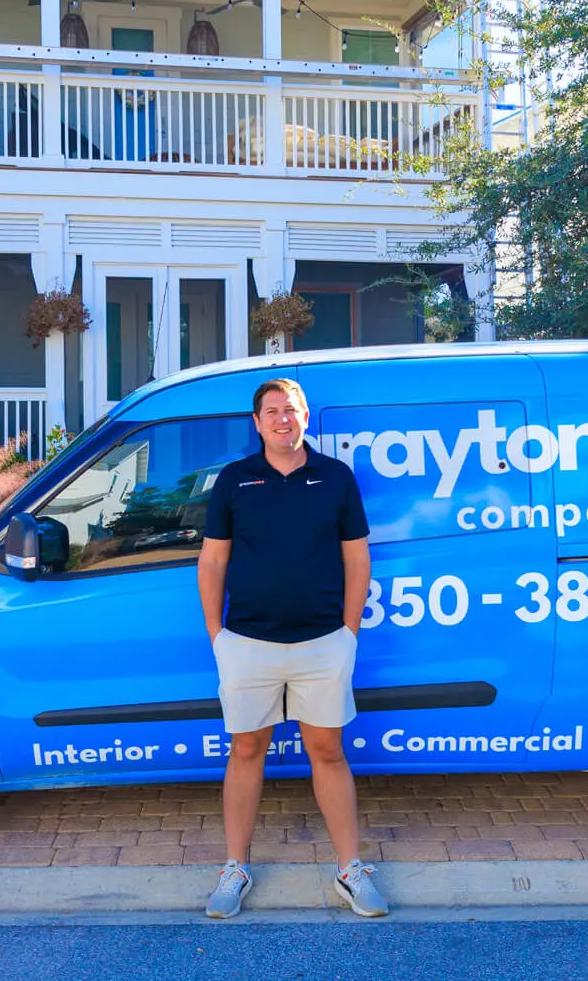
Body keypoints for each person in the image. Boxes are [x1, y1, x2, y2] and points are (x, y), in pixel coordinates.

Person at [197, 377, 388, 919]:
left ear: (306, 418)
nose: (284, 419)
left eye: (293, 410)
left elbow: (357, 559)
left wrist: (349, 632)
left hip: (324, 642)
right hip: (248, 643)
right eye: (273, 411)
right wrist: (219, 636)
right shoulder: (235, 481)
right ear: (257, 423)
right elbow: (212, 562)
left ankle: (350, 870)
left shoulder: (335, 478)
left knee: (327, 752)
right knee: (247, 752)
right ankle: (235, 867)